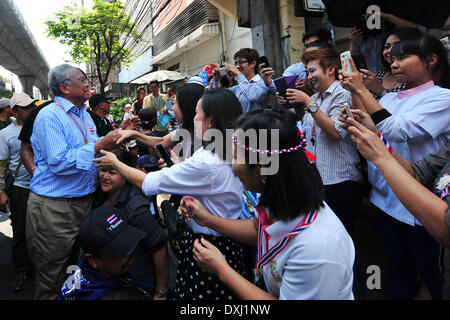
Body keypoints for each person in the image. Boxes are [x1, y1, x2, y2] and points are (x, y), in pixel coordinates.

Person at [181, 108, 355, 300]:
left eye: (236, 155)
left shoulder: (317, 250)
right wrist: (208, 220)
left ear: (263, 168)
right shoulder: (283, 197)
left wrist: (222, 269)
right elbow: (260, 230)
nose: (232, 164)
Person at [93, 88, 245, 300]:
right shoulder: (224, 146)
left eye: (197, 112)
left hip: (211, 245)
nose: (193, 116)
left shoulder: (207, 161)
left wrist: (115, 163)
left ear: (210, 120)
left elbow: (150, 182)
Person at [339, 34, 450, 300]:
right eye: (393, 58)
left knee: (432, 274)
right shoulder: (390, 98)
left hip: (419, 207)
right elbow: (379, 131)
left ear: (431, 60)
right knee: (397, 267)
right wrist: (358, 122)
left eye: (403, 57)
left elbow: (399, 131)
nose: (394, 63)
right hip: (385, 199)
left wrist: (361, 90)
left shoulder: (443, 98)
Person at [25, 64, 122, 300]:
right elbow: (59, 163)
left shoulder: (84, 114)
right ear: (64, 87)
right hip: (54, 209)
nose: (88, 83)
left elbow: (92, 150)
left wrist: (114, 138)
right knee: (51, 276)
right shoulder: (49, 116)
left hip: (83, 204)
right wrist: (99, 145)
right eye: (82, 79)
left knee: (75, 270)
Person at [278, 48, 363, 237]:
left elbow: (335, 132)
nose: (309, 77)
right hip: (319, 178)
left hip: (340, 181)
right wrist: (289, 104)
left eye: (312, 71)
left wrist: (308, 102)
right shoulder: (316, 97)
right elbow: (309, 128)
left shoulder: (342, 93)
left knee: (341, 236)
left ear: (331, 69)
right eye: (307, 72)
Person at [92, 149, 169, 297]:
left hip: (134, 284)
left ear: (126, 173)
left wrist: (161, 293)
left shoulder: (135, 207)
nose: (105, 177)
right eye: (102, 170)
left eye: (112, 173)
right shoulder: (99, 195)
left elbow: (159, 247)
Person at [58, 205, 163, 300]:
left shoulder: (83, 273)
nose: (130, 253)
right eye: (119, 251)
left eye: (130, 242)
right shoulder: (117, 296)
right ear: (93, 260)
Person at [117, 83, 205, 164]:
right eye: (151, 87)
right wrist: (133, 133)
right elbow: (162, 141)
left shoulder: (204, 141)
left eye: (174, 103)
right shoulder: (186, 129)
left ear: (186, 106)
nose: (172, 108)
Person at [0, 93, 36, 292]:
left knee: (43, 232)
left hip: (45, 188)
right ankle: (22, 271)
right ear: (14, 111)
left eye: (31, 106)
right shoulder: (6, 134)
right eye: (25, 108)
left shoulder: (42, 126)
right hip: (20, 189)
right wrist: (1, 192)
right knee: (20, 231)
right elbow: (2, 165)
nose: (30, 110)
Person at [349, 1, 426, 73]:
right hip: (373, 77)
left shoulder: (393, 33)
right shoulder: (362, 37)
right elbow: (353, 60)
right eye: (368, 17)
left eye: (374, 16)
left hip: (394, 75)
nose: (372, 20)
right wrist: (353, 43)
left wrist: (388, 17)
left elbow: (419, 31)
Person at [359, 28, 421, 99]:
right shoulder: (375, 77)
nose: (390, 51)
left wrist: (380, 91)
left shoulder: (415, 82)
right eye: (387, 47)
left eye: (397, 45)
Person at [226, 48, 271, 113]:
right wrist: (216, 80)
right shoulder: (239, 86)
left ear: (253, 63)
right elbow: (220, 96)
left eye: (240, 62)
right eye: (236, 63)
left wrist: (238, 74)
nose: (237, 66)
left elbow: (252, 96)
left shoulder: (263, 82)